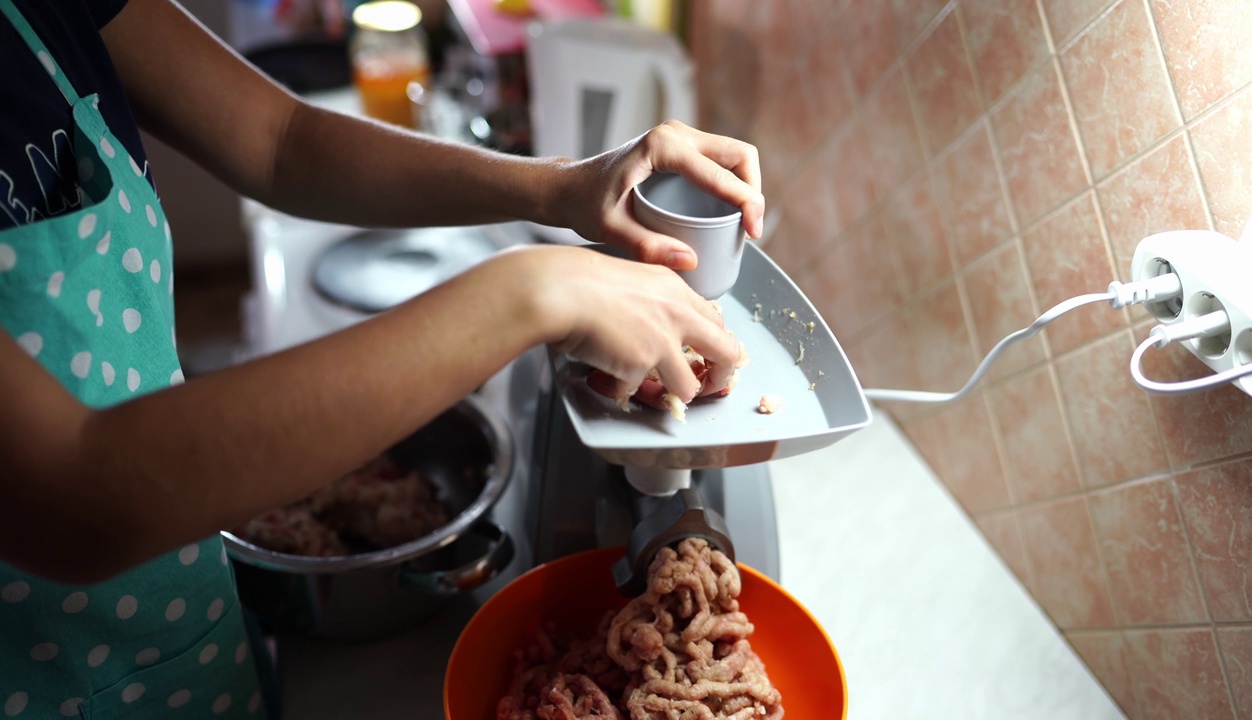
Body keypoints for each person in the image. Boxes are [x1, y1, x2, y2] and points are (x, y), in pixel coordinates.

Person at [0, 0, 764, 717]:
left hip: (181, 633)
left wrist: (561, 185)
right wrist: (531, 289)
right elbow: (73, 495)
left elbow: (278, 140)